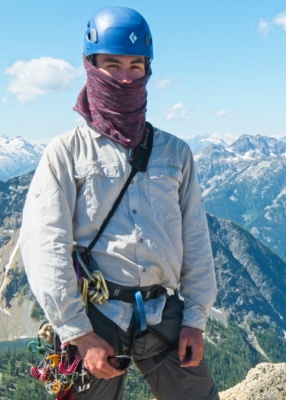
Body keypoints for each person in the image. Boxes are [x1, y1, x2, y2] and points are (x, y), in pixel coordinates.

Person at [19, 6, 219, 400]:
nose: (126, 77)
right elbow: (45, 246)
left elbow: (195, 237)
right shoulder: (65, 153)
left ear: (148, 68)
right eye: (113, 65)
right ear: (90, 65)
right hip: (98, 318)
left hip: (165, 315)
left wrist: (195, 318)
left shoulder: (175, 153)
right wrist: (78, 333)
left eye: (135, 65)